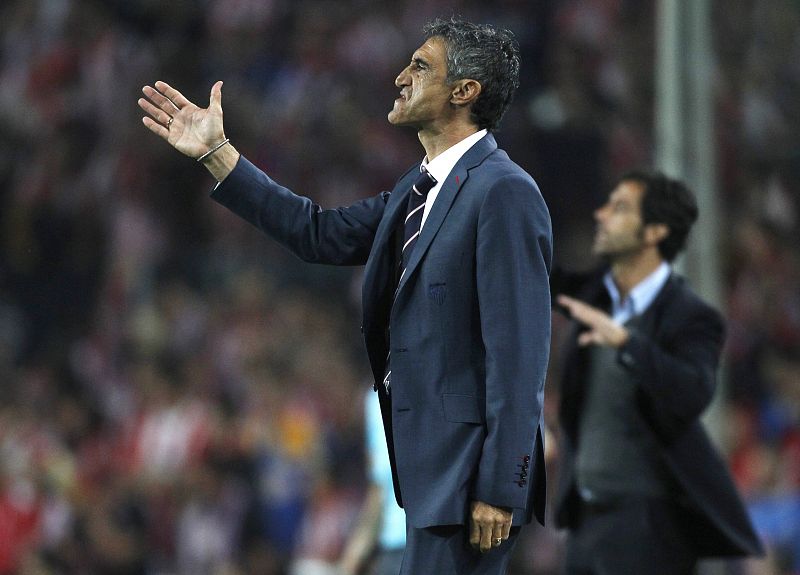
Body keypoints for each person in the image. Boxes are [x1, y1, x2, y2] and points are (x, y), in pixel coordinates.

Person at [138, 17, 552, 575]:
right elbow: (319, 234)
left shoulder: (504, 191)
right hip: (428, 477)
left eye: (420, 66)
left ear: (464, 91)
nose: (400, 76)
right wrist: (218, 154)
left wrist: (502, 486)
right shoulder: (416, 190)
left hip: (468, 478)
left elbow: (519, 352)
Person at [552, 171, 764, 574]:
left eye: (619, 208)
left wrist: (627, 343)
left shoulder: (690, 316)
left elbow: (693, 392)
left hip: (648, 525)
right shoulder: (593, 300)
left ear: (654, 232)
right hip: (584, 523)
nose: (601, 215)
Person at [338, 390, 406, 575]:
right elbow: (380, 486)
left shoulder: (377, 398)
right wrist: (356, 550)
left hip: (423, 542)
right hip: (396, 545)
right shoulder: (374, 400)